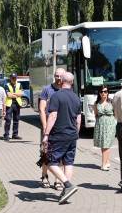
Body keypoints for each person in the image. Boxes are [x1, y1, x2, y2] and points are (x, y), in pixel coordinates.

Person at [42, 72, 81, 204]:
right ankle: (66, 191)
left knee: (50, 162)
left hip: (58, 135)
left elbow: (52, 116)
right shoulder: (76, 98)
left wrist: (46, 134)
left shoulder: (56, 96)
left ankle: (68, 186)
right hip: (72, 136)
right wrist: (75, 133)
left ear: (61, 81)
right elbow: (79, 119)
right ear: (72, 82)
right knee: (68, 163)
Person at [39, 68, 65, 190]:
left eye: (61, 76)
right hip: (48, 128)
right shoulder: (47, 90)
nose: (59, 78)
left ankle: (58, 180)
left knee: (60, 156)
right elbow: (42, 109)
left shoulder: (67, 90)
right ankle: (44, 176)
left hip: (62, 129)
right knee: (46, 154)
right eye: (57, 76)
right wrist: (45, 126)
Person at [94, 84, 116, 171]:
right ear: (99, 93)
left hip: (109, 125)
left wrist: (111, 122)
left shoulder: (111, 102)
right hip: (100, 125)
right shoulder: (96, 103)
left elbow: (115, 114)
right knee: (103, 145)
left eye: (105, 91)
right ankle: (107, 161)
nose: (103, 93)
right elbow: (96, 114)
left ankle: (103, 164)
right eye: (101, 91)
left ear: (108, 92)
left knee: (106, 145)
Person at [3, 73, 24, 140]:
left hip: (17, 104)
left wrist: (14, 94)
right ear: (10, 78)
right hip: (10, 105)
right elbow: (9, 95)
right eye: (13, 78)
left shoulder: (19, 84)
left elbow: (22, 93)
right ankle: (6, 134)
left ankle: (15, 134)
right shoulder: (7, 85)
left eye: (15, 78)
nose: (14, 79)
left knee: (16, 120)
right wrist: (18, 94)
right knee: (8, 120)